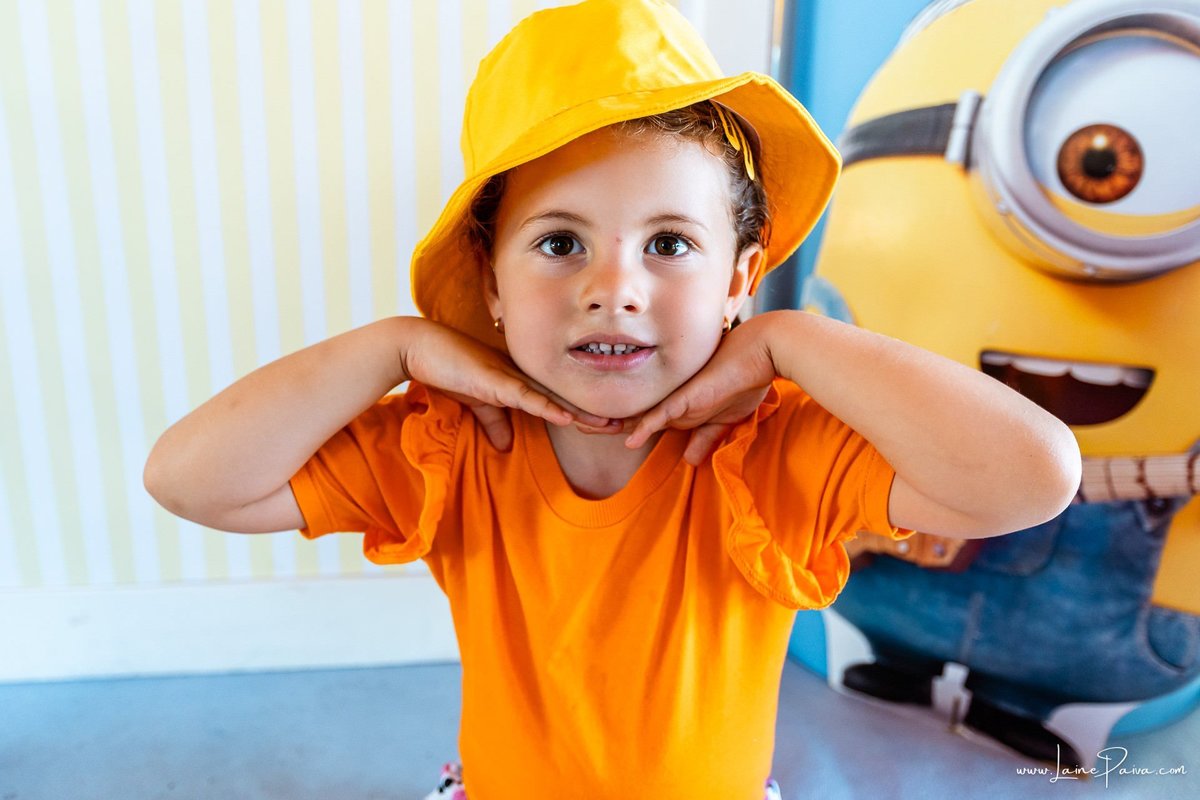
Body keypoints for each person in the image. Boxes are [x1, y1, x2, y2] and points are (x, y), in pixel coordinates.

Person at [143, 1, 1081, 797]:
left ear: (739, 278)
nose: (615, 287)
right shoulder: (451, 444)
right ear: (493, 284)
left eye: (669, 244)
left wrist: (791, 339)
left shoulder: (777, 451)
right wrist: (396, 345)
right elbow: (191, 481)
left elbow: (1033, 477)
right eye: (560, 243)